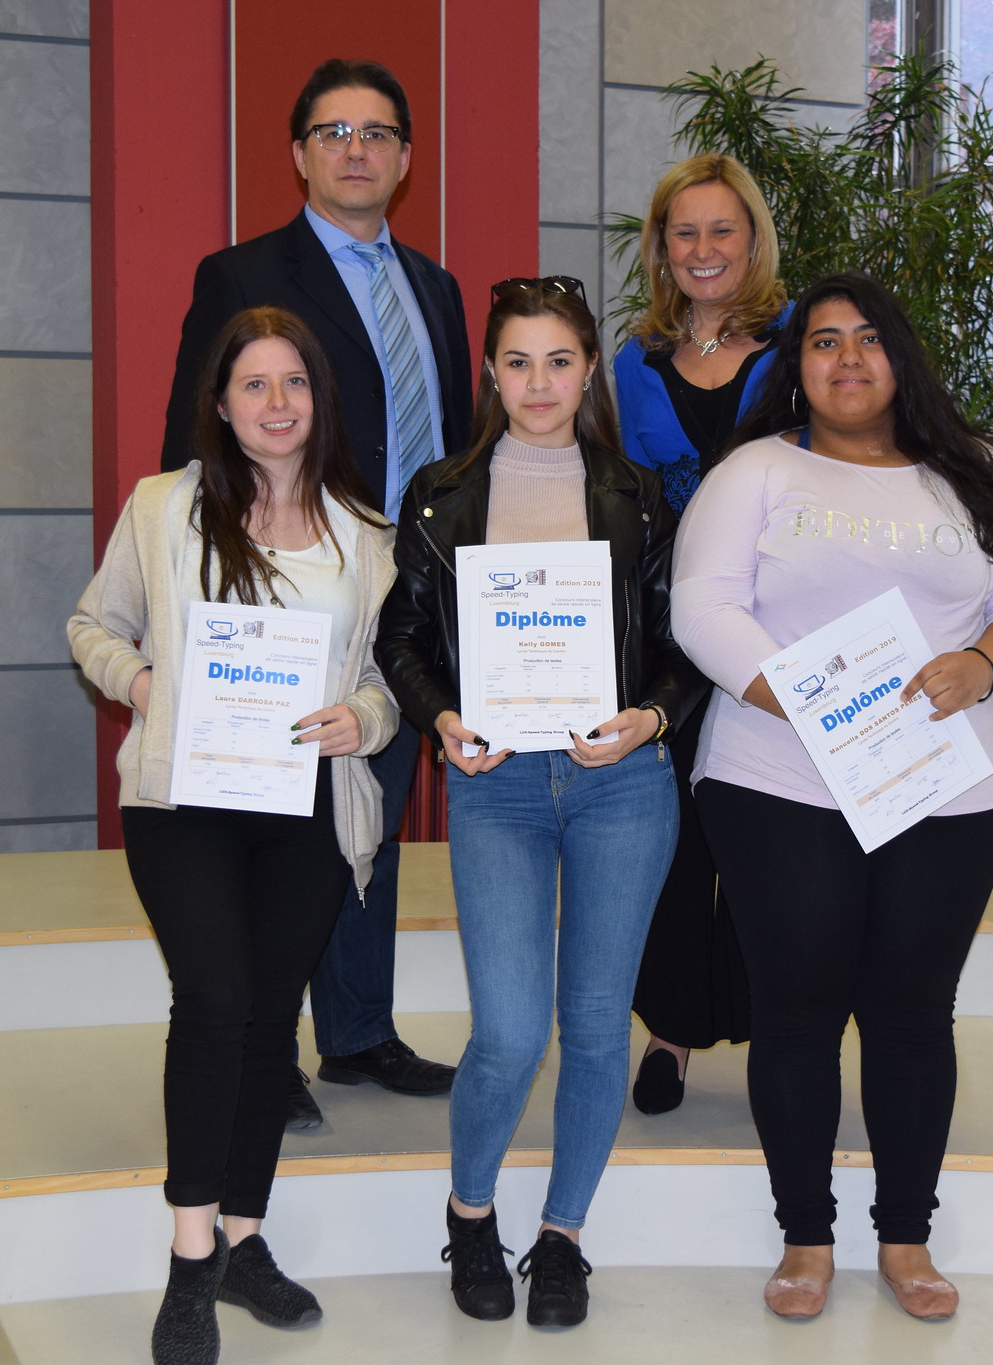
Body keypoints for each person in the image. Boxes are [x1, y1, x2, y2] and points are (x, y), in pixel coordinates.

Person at [671, 274, 993, 1323]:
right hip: (778, 782)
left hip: (946, 790)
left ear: (900, 358)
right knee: (794, 1012)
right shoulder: (754, 472)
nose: (844, 359)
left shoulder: (974, 472)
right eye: (821, 343)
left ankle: (905, 1237)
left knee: (908, 1013)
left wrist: (981, 665)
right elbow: (701, 610)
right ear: (793, 366)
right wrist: (808, 706)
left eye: (866, 340)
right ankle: (805, 1237)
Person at [70, 307, 400, 1365]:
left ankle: (246, 1239)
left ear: (319, 401)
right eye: (252, 385)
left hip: (304, 802)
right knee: (212, 1002)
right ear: (219, 402)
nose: (275, 404)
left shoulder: (364, 533)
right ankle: (187, 1254)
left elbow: (386, 678)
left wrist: (371, 718)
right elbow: (93, 627)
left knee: (269, 1018)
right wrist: (144, 680)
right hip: (187, 802)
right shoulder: (163, 509)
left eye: (293, 384)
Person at [376, 278, 704, 1328]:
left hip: (621, 786)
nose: (537, 384)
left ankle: (561, 1238)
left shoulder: (641, 496)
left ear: (589, 370)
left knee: (598, 1027)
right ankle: (471, 1215)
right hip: (497, 784)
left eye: (558, 361)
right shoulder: (437, 495)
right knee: (511, 1032)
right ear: (488, 372)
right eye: (516, 362)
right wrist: (438, 719)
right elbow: (401, 643)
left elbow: (681, 650)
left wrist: (649, 722)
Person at [158, 58, 474, 1127]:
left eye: (378, 133)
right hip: (284, 597)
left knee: (366, 812)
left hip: (402, 594)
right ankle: (265, 1049)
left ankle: (356, 1033)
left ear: (405, 158)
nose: (356, 150)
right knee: (273, 828)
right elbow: (192, 446)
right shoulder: (241, 270)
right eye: (333, 132)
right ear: (297, 153)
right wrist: (212, 606)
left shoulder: (433, 287)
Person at [612, 154, 791, 1115]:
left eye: (723, 230)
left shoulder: (802, 340)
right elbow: (622, 497)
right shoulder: (633, 360)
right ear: (661, 246)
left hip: (779, 623)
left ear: (752, 240)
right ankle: (670, 1030)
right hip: (672, 629)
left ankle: (778, 1026)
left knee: (768, 833)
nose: (704, 249)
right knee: (674, 838)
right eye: (685, 232)